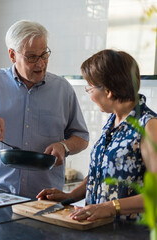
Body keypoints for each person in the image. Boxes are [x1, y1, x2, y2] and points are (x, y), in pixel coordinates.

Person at [0, 20, 89, 198]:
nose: (40, 63)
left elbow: (81, 137)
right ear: (12, 55)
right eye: (32, 57)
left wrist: (64, 146)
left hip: (42, 199)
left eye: (44, 54)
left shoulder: (63, 89)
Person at [37, 49, 157, 220]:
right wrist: (69, 196)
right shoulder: (113, 121)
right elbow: (100, 173)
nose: (89, 94)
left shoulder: (149, 126)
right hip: (99, 229)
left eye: (90, 87)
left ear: (108, 91)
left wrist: (110, 207)